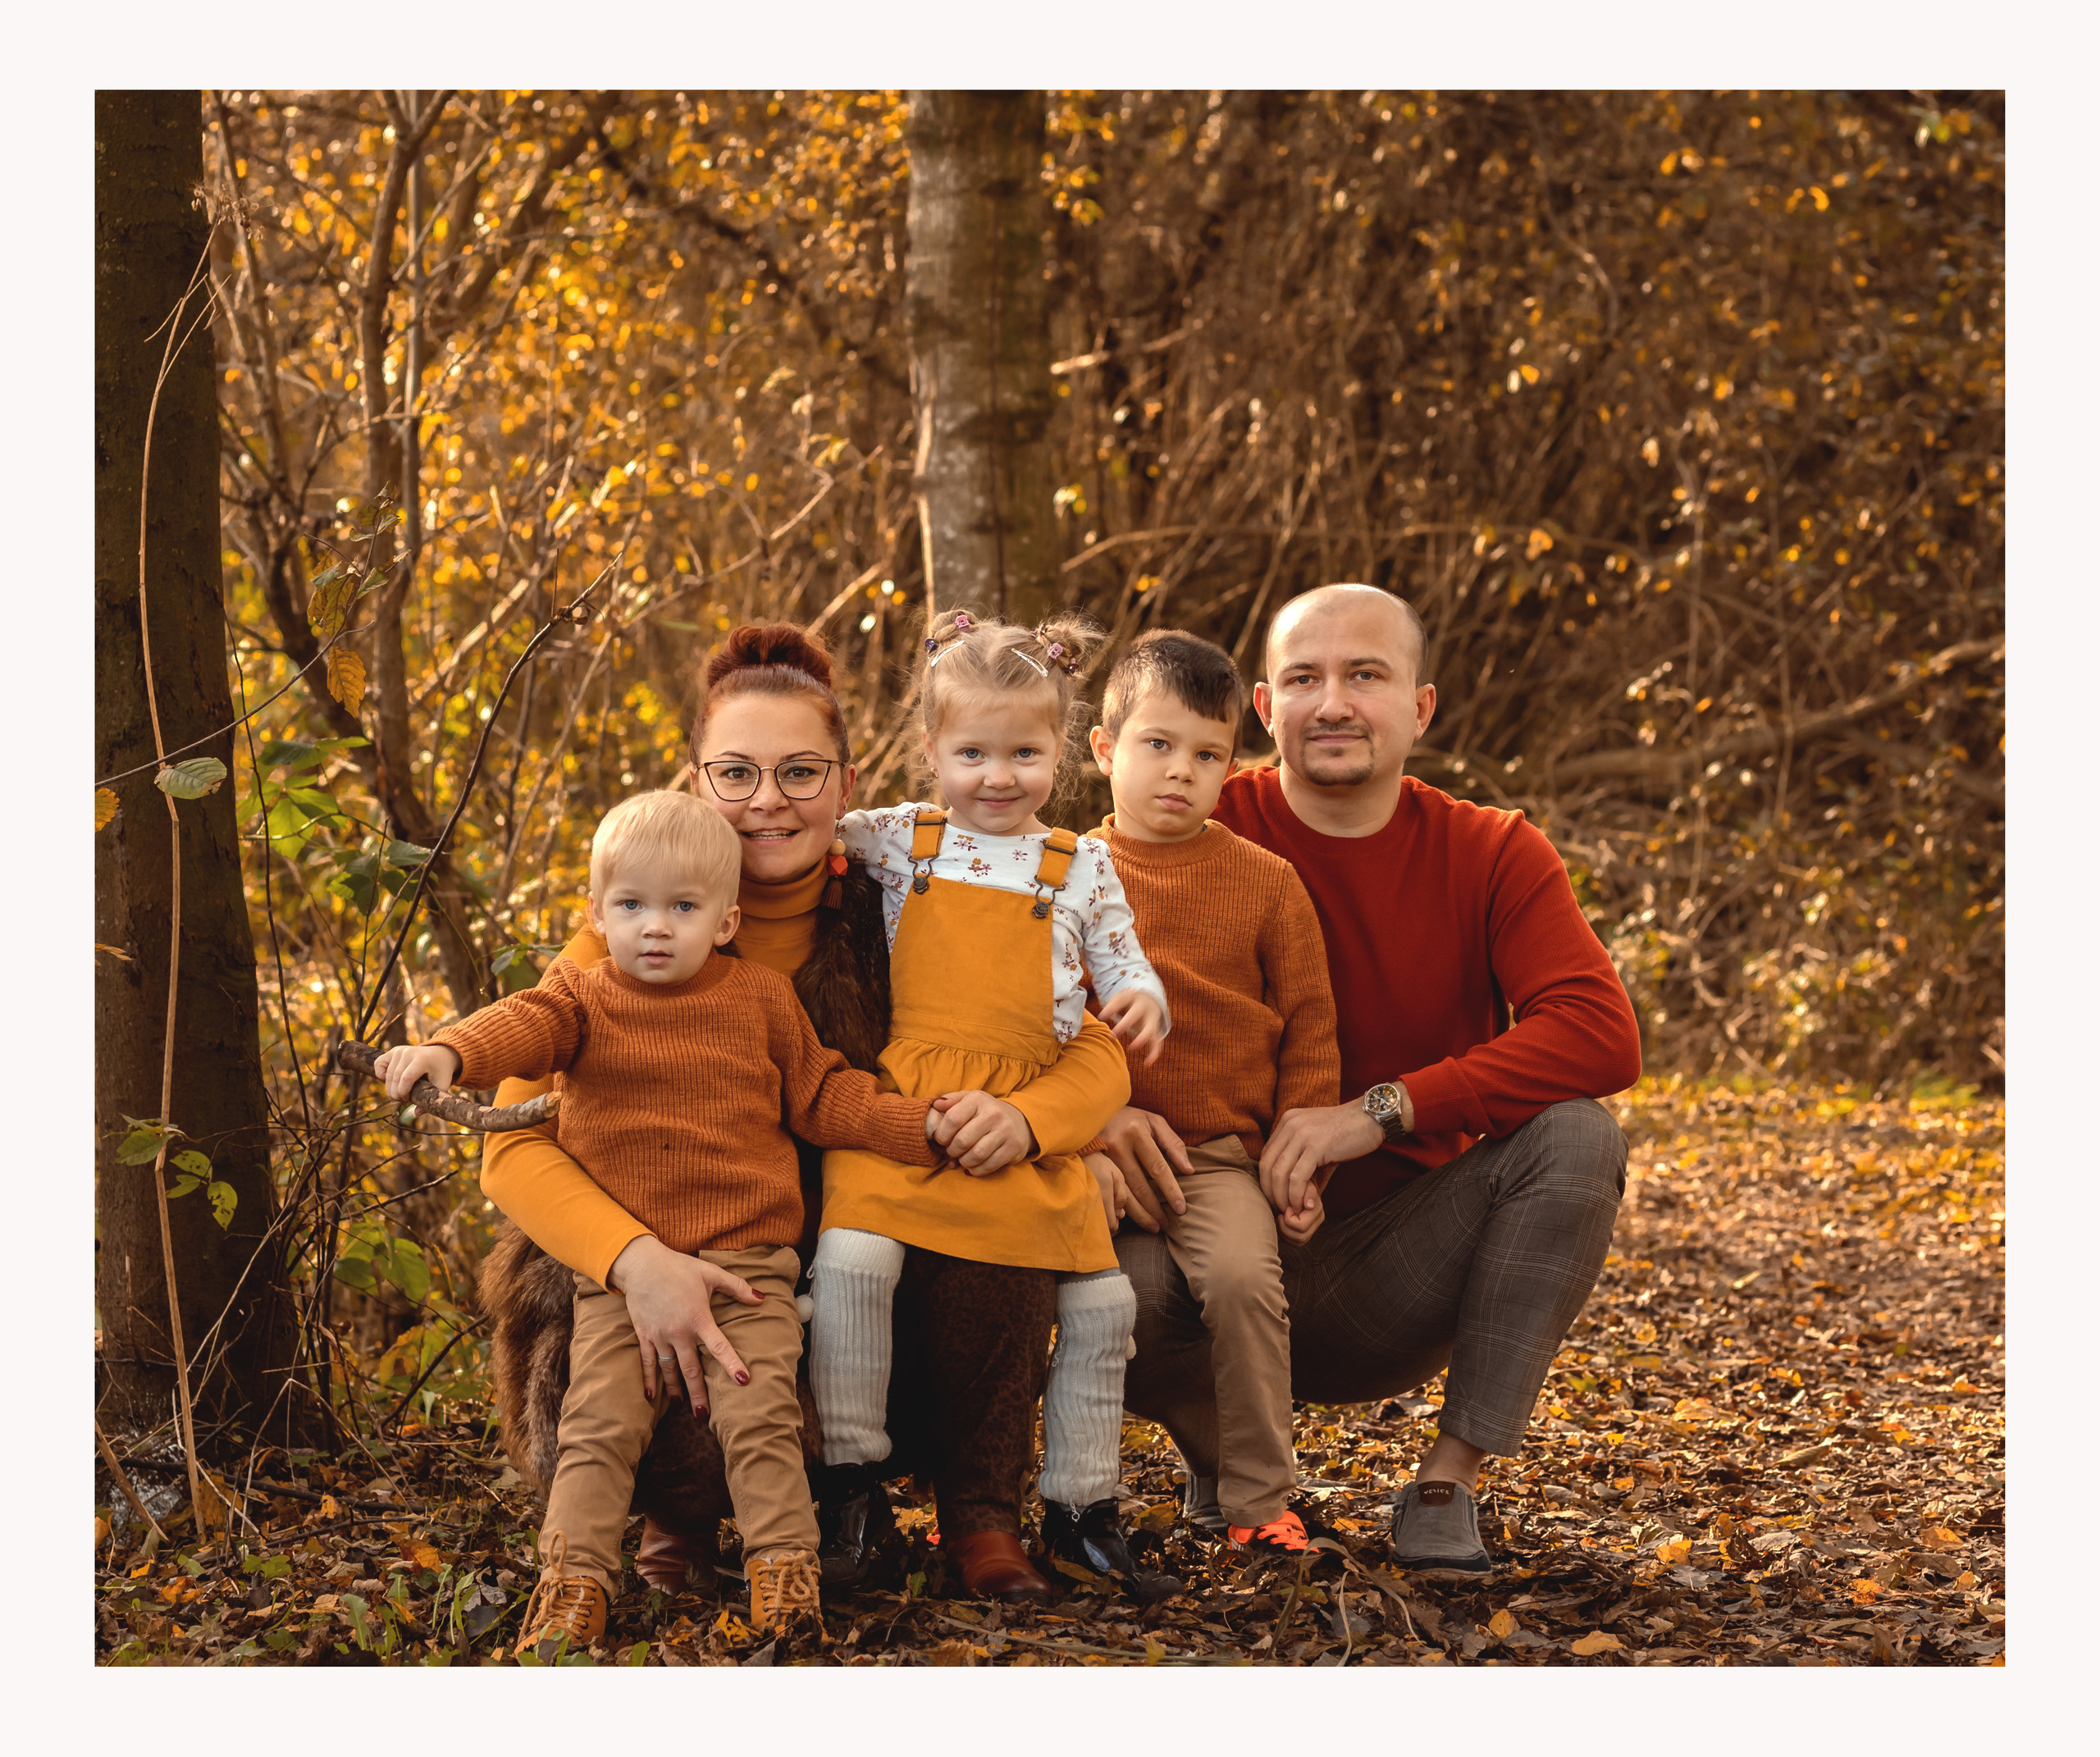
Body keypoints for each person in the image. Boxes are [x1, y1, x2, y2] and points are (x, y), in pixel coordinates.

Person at [477, 625, 1134, 1607]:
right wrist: (635, 1262)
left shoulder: (907, 892)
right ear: (697, 781)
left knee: (994, 1230)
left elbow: (1084, 1038)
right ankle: (676, 1523)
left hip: (870, 1232)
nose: (767, 801)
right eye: (735, 773)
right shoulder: (637, 928)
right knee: (672, 1338)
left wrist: (1043, 1121)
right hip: (686, 1246)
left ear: (846, 780)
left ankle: (979, 1519)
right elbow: (511, 1147)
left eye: (798, 772)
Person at [1100, 583, 1642, 1576]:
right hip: (1193, 1232)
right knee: (1090, 1280)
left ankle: (1447, 1481)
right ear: (1262, 711)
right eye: (1303, 679)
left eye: (1365, 676)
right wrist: (1096, 1118)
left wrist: (1382, 1111)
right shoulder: (1180, 817)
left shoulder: (1491, 853)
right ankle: (1221, 1454)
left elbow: (1601, 1035)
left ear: (1420, 707)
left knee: (1579, 1137)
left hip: (1389, 1268)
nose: (1333, 703)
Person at [378, 792, 957, 1648]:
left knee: (760, 1418)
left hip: (751, 1266)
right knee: (597, 1425)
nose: (656, 928)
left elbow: (826, 1096)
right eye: (632, 906)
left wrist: (921, 1127)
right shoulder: (579, 998)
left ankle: (783, 1578)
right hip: (620, 1283)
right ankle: (573, 1582)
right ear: (597, 915)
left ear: (724, 922)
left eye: (682, 908)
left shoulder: (761, 1001)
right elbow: (520, 1027)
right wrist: (449, 1050)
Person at [811, 607, 1182, 1602]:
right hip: (905, 1109)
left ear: (1059, 753)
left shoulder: (1079, 862)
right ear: (930, 749)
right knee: (851, 1261)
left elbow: (1121, 961)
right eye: (970, 751)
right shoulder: (896, 839)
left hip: (1025, 1107)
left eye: (1023, 752)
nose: (996, 775)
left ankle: (1076, 1506)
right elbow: (785, 834)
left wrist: (1143, 998)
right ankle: (850, 1481)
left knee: (1103, 1303)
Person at [1079, 630, 1341, 1558]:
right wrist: (1078, 1134)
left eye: (1206, 755)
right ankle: (1070, 1502)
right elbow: (1031, 1021)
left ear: (1233, 766)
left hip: (1218, 1156)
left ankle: (1260, 1502)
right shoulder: (1064, 874)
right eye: (1157, 746)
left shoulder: (1266, 884)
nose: (1179, 773)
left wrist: (1295, 1153)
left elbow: (1308, 1024)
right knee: (1064, 1296)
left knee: (1241, 1282)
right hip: (1085, 1147)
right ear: (1105, 750)